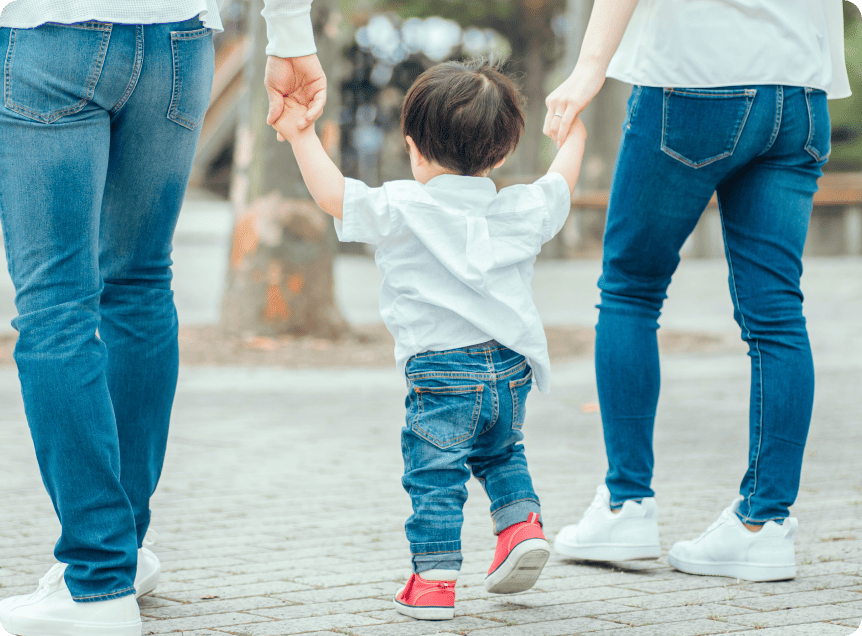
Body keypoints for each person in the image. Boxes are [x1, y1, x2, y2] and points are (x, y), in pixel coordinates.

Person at [0, 1, 324, 635]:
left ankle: (97, 580)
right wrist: (289, 32)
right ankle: (123, 552)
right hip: (177, 42)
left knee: (55, 307)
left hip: (47, 34)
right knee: (140, 286)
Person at [545, 0, 852, 582]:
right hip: (799, 94)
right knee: (778, 315)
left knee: (631, 290)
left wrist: (589, 68)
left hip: (696, 76)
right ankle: (764, 525)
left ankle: (625, 506)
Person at [272, 60, 587, 620]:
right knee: (502, 451)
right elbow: (561, 181)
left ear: (414, 147)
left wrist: (301, 134)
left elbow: (332, 195)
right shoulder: (519, 208)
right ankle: (520, 527)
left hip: (442, 372)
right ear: (501, 154)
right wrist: (574, 129)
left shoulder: (400, 206)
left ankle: (434, 579)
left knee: (433, 471)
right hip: (510, 370)